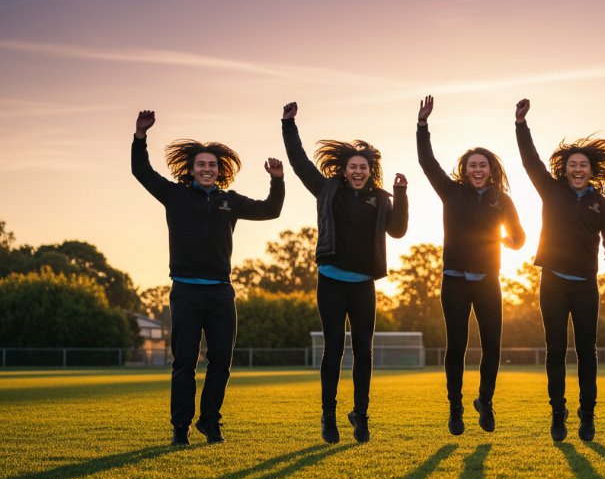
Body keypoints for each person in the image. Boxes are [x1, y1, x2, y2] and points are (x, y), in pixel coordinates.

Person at [132, 110, 284, 446]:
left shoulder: (229, 201)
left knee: (221, 362)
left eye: (212, 165)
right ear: (191, 168)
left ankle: (210, 423)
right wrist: (140, 136)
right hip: (185, 291)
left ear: (219, 170)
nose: (206, 169)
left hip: (220, 294)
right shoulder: (174, 195)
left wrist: (277, 180)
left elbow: (270, 210)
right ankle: (180, 429)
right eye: (201, 164)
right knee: (184, 363)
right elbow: (141, 171)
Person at [281, 102, 408, 443]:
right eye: (352, 167)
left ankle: (361, 416)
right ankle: (329, 417)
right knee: (334, 349)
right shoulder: (328, 190)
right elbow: (300, 163)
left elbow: (398, 231)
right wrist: (288, 124)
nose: (358, 171)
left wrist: (400, 193)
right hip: (332, 281)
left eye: (363, 167)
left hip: (363, 284)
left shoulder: (381, 198)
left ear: (370, 171)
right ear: (344, 169)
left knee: (364, 351)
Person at [514, 98, 605, 442]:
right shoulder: (551, 191)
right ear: (565, 169)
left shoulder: (601, 204)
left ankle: (587, 416)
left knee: (587, 351)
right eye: (573, 164)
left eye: (584, 165)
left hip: (586, 285)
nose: (578, 169)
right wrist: (521, 124)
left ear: (591, 171)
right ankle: (558, 414)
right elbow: (530, 162)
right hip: (553, 282)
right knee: (556, 349)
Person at [416, 95, 526, 435]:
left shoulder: (501, 199)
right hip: (455, 281)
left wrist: (510, 242)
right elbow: (427, 162)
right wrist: (422, 125)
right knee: (457, 346)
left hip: (489, 281)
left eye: (483, 165)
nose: (477, 170)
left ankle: (485, 402)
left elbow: (520, 236)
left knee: (492, 345)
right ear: (465, 170)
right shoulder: (451, 192)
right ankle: (455, 407)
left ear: (491, 170)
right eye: (472, 165)